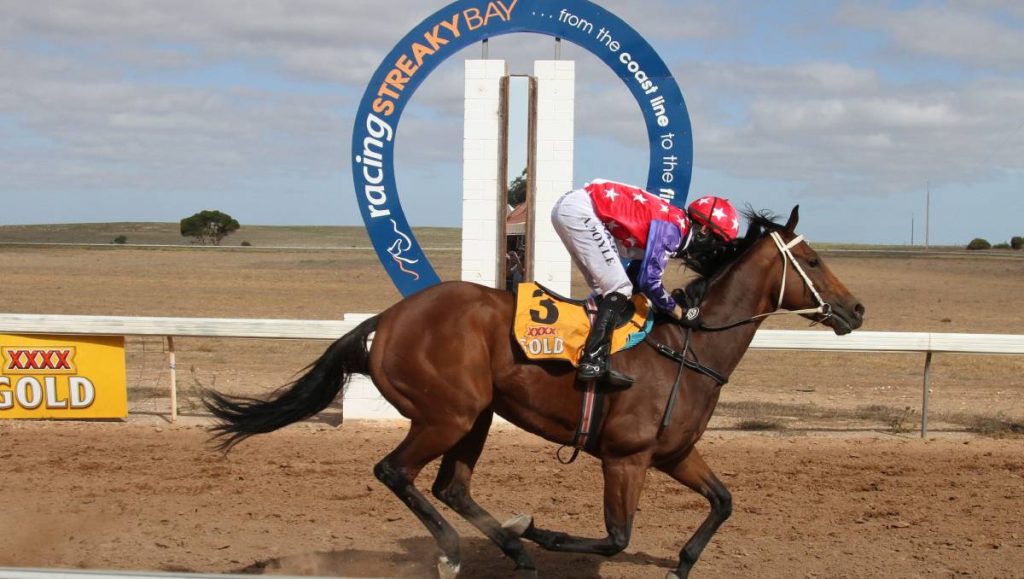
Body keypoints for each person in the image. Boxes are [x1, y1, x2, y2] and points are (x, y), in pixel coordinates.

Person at [551, 179, 739, 384]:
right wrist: (679, 313)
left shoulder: (675, 223)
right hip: (580, 211)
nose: (713, 249)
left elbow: (637, 274)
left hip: (573, 208)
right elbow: (649, 281)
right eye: (717, 240)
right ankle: (593, 360)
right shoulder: (674, 229)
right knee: (619, 288)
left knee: (608, 291)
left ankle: (577, 346)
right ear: (704, 231)